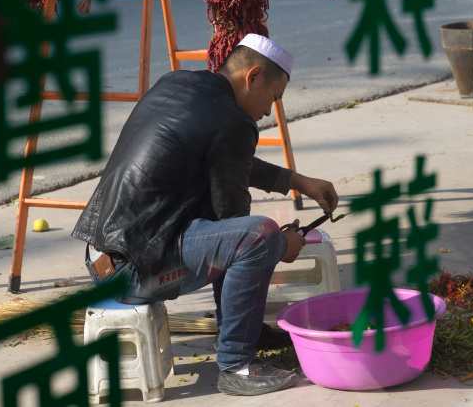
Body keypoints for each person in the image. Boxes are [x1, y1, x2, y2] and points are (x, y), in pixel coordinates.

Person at [72, 33, 339, 396]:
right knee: (257, 236)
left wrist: (298, 181)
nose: (269, 110)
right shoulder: (236, 122)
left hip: (103, 258)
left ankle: (248, 331)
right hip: (135, 272)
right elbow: (233, 222)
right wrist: (280, 245)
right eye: (274, 98)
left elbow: (229, 159)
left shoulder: (179, 83)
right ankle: (237, 365)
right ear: (253, 76)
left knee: (233, 234)